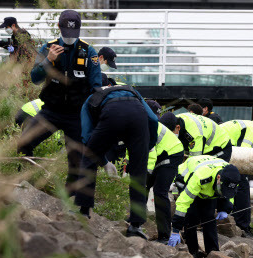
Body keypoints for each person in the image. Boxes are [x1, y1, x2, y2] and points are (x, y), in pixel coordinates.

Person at [18, 10, 101, 195]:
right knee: (24, 142)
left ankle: (67, 202)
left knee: (76, 162)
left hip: (76, 115)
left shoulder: (89, 51)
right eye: (66, 33)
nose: (70, 38)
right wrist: (48, 60)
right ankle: (26, 185)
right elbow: (34, 78)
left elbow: (96, 88)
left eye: (74, 34)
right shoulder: (48, 48)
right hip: (50, 112)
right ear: (59, 28)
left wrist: (94, 117)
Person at [75, 84, 158, 239]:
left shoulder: (90, 99)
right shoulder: (134, 92)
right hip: (137, 116)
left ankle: (84, 211)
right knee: (139, 172)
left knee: (88, 158)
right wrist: (149, 145)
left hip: (111, 113)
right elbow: (153, 119)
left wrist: (103, 161)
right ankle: (136, 226)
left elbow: (87, 137)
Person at [170, 155, 241, 258]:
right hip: (187, 177)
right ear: (218, 178)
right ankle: (192, 252)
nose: (223, 193)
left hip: (209, 187)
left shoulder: (233, 177)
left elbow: (230, 195)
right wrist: (176, 229)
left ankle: (213, 252)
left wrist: (225, 209)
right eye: (222, 189)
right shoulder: (201, 177)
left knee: (209, 216)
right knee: (191, 216)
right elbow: (183, 202)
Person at [145, 102, 184, 244]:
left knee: (160, 192)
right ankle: (136, 223)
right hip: (159, 154)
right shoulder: (133, 122)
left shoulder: (147, 124)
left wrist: (146, 173)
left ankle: (164, 235)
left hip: (172, 154)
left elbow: (151, 153)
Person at [158, 111, 233, 162]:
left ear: (178, 127)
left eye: (171, 134)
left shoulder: (195, 134)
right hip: (206, 146)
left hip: (221, 148)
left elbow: (194, 161)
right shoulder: (173, 120)